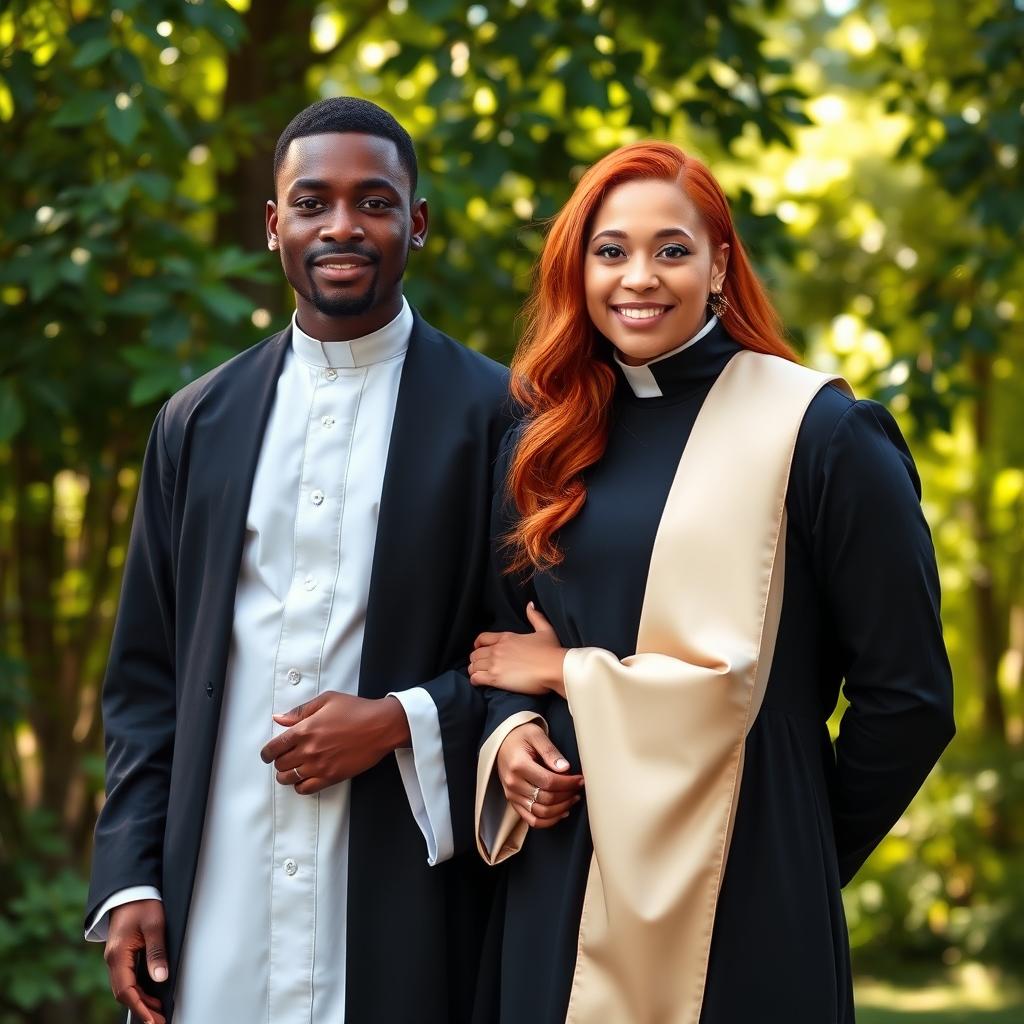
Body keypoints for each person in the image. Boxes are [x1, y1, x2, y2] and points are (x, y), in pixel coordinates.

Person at [468, 141, 955, 1024]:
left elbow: (909, 696)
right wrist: (511, 739)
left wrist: (795, 850)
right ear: (576, 267)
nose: (638, 278)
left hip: (744, 890)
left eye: (673, 249)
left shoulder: (823, 434)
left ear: (721, 263)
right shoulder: (543, 439)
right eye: (610, 251)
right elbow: (504, 645)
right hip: (566, 873)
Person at [84, 97, 509, 1024]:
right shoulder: (197, 422)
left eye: (375, 201)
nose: (343, 225)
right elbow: (145, 680)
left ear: (418, 222)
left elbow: (537, 659)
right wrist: (129, 879)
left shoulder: (500, 420)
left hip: (406, 883)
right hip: (219, 882)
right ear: (275, 224)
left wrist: (401, 720)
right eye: (313, 202)